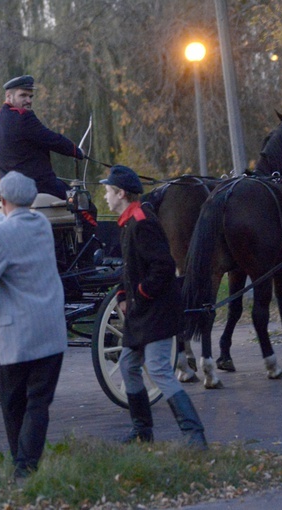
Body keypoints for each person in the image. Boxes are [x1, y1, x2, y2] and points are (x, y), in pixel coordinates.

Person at [100, 165, 207, 449]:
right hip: (142, 312)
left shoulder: (141, 221)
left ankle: (194, 434)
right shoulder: (128, 221)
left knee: (159, 370)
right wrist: (124, 293)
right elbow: (132, 267)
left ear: (121, 193)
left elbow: (163, 266)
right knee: (127, 364)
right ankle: (142, 430)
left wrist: (140, 293)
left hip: (156, 311)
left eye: (108, 191)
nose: (105, 197)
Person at [0, 171, 67, 479]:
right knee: (38, 404)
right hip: (51, 333)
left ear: (3, 200)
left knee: (13, 406)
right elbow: (12, 227)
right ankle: (27, 467)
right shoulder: (43, 226)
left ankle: (22, 467)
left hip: (16, 339)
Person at [0, 74, 84, 200]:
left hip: (9, 189)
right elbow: (52, 140)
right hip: (37, 185)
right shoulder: (23, 117)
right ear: (9, 96)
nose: (28, 100)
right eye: (23, 95)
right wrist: (77, 151)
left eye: (30, 96)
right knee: (84, 204)